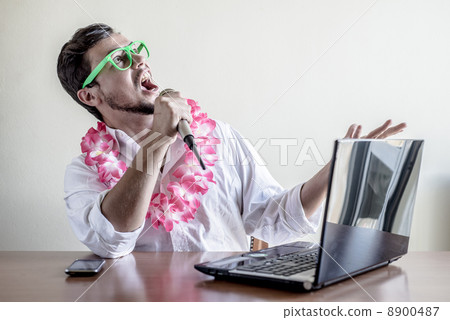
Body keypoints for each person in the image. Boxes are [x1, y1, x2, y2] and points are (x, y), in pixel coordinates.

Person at [57, 23, 406, 258]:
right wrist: (158, 139)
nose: (140, 61)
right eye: (120, 59)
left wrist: (336, 170)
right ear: (91, 96)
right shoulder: (83, 173)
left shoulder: (219, 137)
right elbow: (111, 241)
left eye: (136, 50)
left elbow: (271, 220)